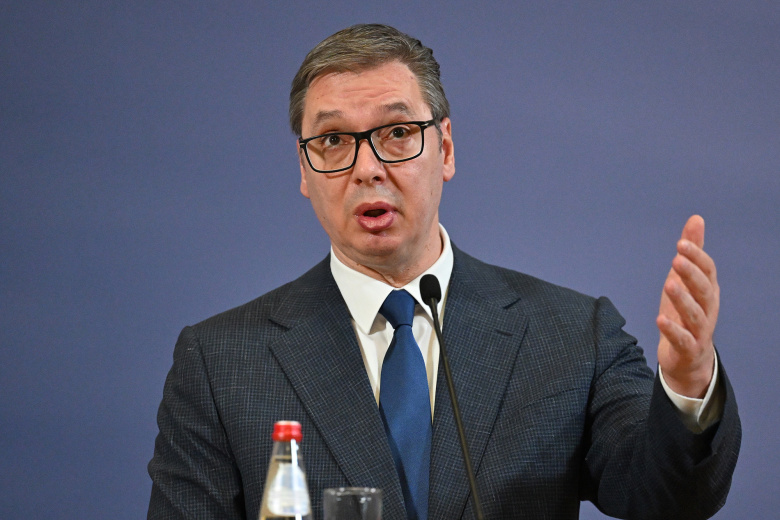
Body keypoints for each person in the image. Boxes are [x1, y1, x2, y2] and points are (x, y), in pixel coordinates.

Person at [148, 24, 740, 520]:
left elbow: (667, 498)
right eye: (333, 140)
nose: (367, 168)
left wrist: (688, 384)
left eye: (397, 133)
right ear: (304, 171)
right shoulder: (221, 363)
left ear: (446, 148)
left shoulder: (571, 335)